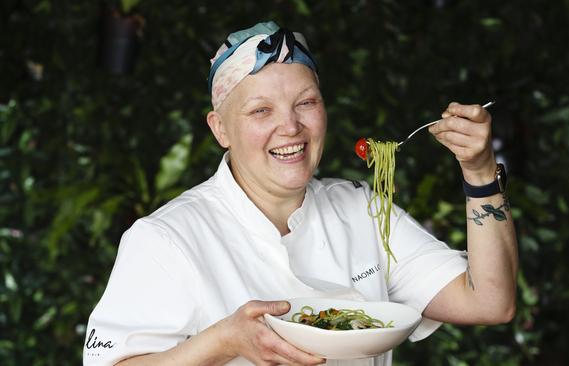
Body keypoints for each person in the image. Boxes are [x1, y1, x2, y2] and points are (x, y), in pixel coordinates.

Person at [83, 21, 517, 366]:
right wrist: (223, 341)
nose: (290, 127)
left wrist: (479, 173)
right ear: (220, 129)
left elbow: (490, 302)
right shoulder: (166, 238)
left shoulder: (361, 208)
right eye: (261, 110)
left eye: (305, 103)